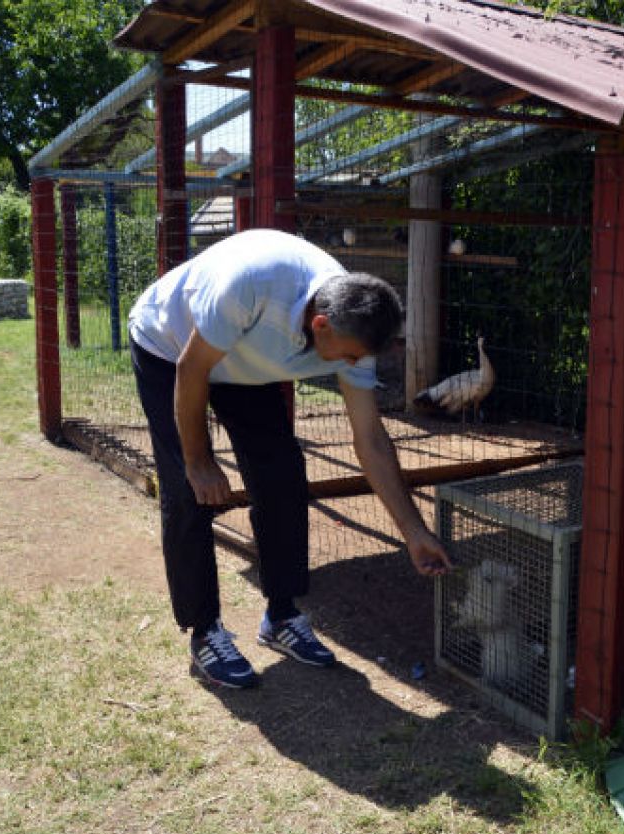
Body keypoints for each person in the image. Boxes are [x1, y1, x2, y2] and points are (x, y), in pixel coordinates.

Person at [128, 228, 452, 689]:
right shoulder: (251, 285)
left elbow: (371, 441)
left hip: (244, 362)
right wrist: (199, 460)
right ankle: (204, 631)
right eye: (349, 356)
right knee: (187, 491)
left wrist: (413, 532)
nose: (354, 364)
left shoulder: (353, 328)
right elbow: (192, 367)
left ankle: (281, 616)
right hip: (171, 348)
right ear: (320, 326)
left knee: (282, 475)